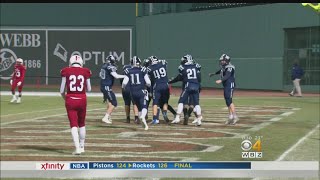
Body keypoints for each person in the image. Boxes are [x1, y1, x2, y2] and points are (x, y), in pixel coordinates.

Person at [60, 55, 92, 155]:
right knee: (82, 123)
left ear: (70, 62)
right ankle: (82, 147)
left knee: (73, 124)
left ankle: (77, 148)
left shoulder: (66, 71)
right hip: (82, 99)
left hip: (71, 99)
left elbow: (61, 90)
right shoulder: (86, 71)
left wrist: (66, 98)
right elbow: (89, 89)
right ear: (81, 62)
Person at [171, 54, 203, 126]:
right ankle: (199, 119)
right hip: (196, 86)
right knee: (196, 104)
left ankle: (177, 117)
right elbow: (199, 79)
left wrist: (171, 81)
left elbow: (179, 77)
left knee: (181, 101)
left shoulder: (183, 67)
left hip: (188, 85)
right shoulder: (196, 66)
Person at [122, 56, 151, 130]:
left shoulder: (128, 71)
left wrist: (124, 88)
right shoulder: (142, 70)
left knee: (139, 108)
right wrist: (146, 85)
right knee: (144, 106)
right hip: (141, 91)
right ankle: (142, 117)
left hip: (132, 93)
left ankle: (143, 123)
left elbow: (124, 84)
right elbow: (148, 82)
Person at [210, 54, 238, 125]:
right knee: (227, 100)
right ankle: (230, 116)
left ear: (226, 61)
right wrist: (214, 73)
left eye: (223, 60)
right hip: (226, 85)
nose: (221, 62)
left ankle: (235, 116)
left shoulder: (230, 67)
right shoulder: (224, 67)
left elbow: (227, 75)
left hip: (230, 85)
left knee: (229, 100)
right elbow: (221, 71)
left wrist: (221, 80)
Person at [99, 55, 126, 124]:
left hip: (103, 86)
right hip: (106, 87)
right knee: (114, 102)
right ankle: (106, 117)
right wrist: (125, 76)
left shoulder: (104, 66)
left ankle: (108, 116)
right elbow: (116, 76)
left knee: (110, 101)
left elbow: (100, 75)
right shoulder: (109, 66)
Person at [147, 56, 170, 124]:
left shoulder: (149, 68)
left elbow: (149, 80)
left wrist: (150, 91)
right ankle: (165, 113)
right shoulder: (163, 63)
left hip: (157, 85)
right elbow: (165, 62)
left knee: (155, 103)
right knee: (165, 101)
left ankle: (155, 119)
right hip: (166, 85)